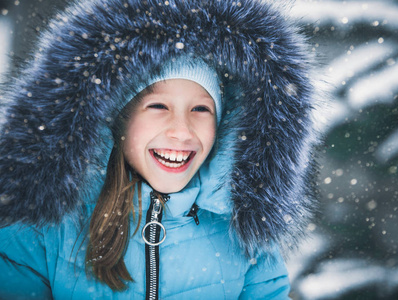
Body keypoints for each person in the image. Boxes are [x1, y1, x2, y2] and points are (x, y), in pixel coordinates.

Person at [0, 0, 319, 299]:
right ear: (117, 122)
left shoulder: (243, 240)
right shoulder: (45, 229)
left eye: (201, 109)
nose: (181, 131)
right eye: (158, 105)